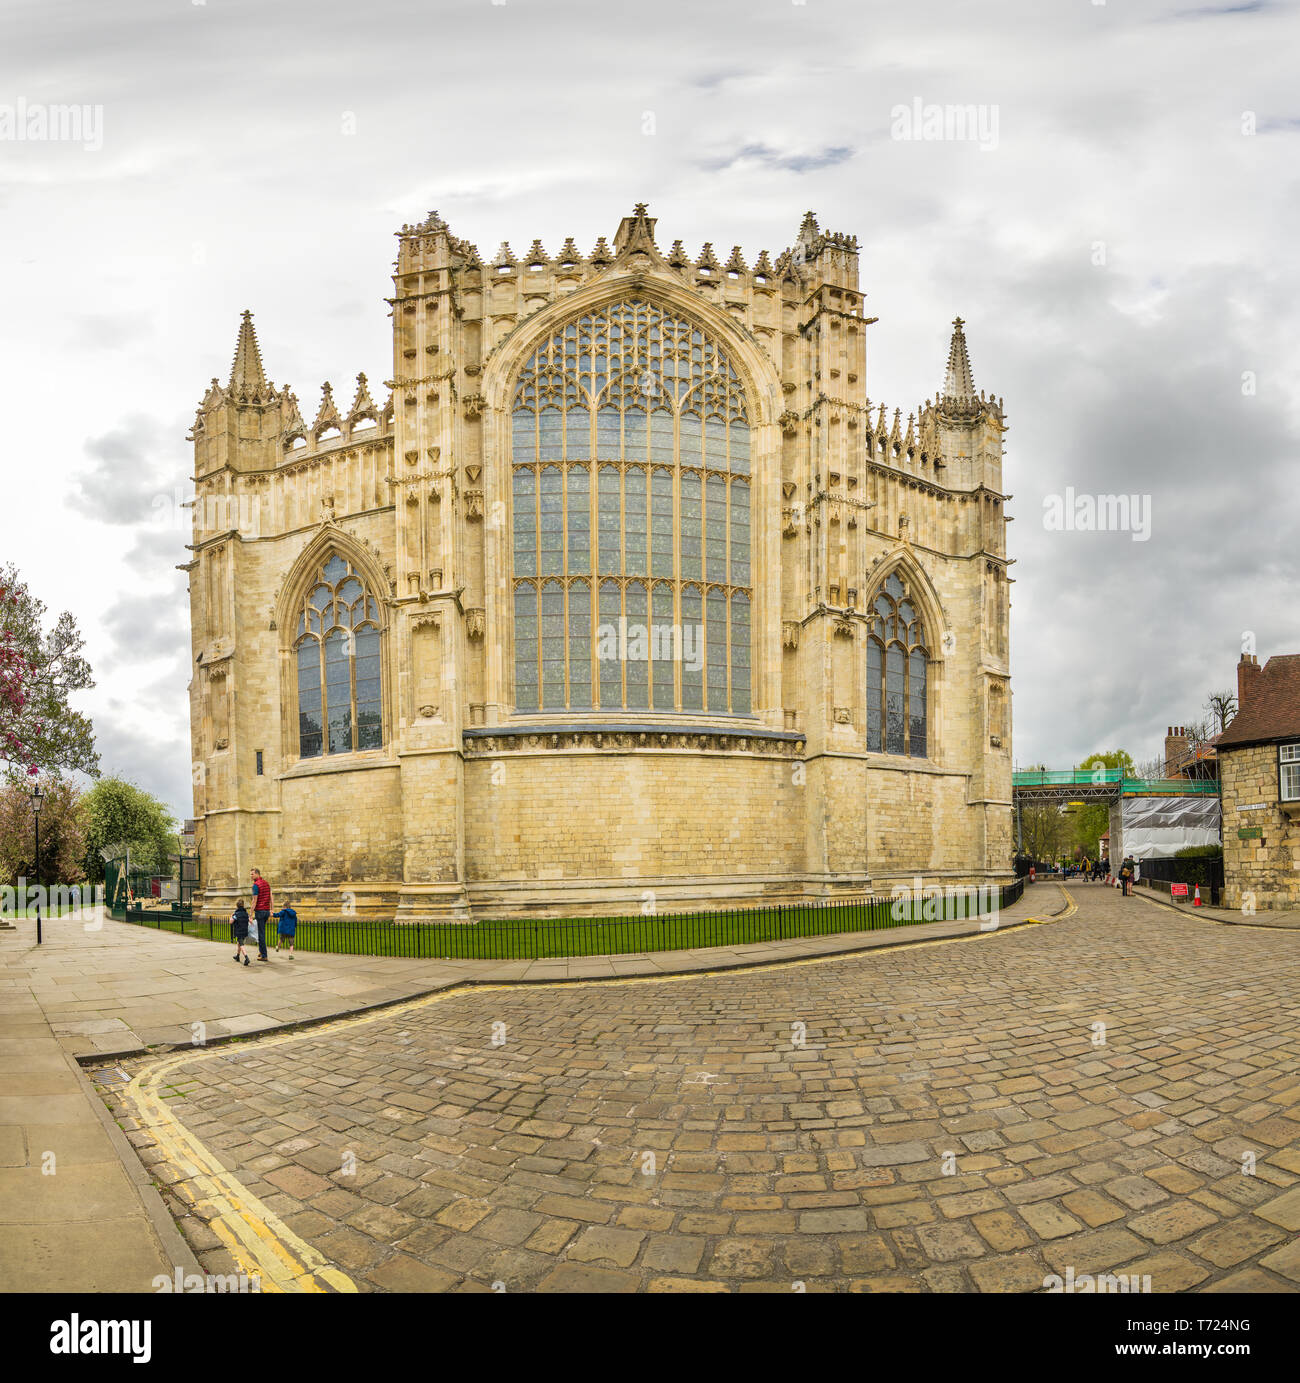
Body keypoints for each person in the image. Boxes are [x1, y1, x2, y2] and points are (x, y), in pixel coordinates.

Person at [251, 868, 272, 962]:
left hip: (260, 911)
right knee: (261, 931)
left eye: (252, 874)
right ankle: (261, 951)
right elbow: (271, 898)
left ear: (257, 874)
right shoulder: (267, 883)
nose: (251, 876)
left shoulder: (256, 885)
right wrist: (271, 909)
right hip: (266, 911)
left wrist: (250, 913)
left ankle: (264, 955)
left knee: (261, 934)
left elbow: (254, 901)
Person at [230, 899, 251, 966]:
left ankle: (246, 958)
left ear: (237, 906)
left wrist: (231, 916)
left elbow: (230, 922)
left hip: (239, 931)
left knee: (241, 945)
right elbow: (249, 920)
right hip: (245, 931)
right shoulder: (246, 913)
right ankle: (238, 956)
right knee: (239, 943)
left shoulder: (236, 914)